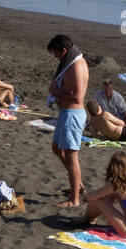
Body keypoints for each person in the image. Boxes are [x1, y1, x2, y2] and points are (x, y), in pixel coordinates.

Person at [47, 33, 88, 207]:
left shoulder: (77, 66)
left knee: (72, 157)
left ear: (64, 50)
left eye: (56, 53)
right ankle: (77, 184)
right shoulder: (70, 63)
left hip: (73, 115)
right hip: (66, 114)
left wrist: (56, 93)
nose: (55, 57)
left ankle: (74, 199)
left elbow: (78, 97)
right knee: (56, 148)